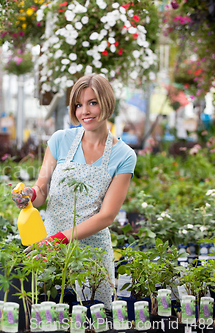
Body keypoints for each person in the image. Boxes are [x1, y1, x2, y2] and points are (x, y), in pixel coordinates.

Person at [11, 74, 137, 309]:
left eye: (93, 102)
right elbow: (41, 190)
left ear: (107, 102)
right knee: (46, 315)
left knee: (90, 319)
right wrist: (29, 195)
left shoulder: (124, 155)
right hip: (49, 251)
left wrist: (58, 240)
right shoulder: (60, 140)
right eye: (79, 105)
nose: (84, 112)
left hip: (91, 256)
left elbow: (107, 216)